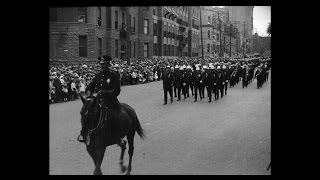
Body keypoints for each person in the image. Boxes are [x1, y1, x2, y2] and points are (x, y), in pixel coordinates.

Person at [78, 55, 123, 146]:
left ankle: (118, 137)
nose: (102, 66)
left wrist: (103, 92)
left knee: (115, 117)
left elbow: (117, 91)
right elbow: (89, 87)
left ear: (108, 64)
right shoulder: (98, 75)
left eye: (104, 64)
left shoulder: (114, 74)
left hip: (111, 102)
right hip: (98, 101)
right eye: (101, 64)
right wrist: (89, 96)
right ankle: (84, 133)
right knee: (86, 113)